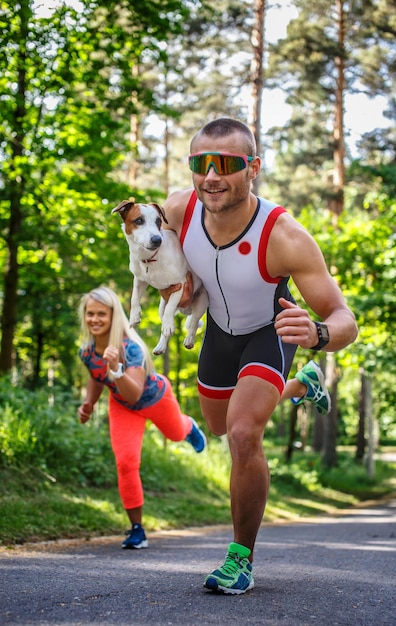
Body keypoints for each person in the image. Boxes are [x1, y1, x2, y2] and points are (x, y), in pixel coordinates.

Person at [162, 118, 358, 594]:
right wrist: (176, 285)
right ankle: (302, 385)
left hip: (272, 330)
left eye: (226, 164)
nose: (211, 176)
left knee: (244, 435)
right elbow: (162, 261)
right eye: (201, 164)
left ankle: (239, 559)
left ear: (253, 169)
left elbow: (343, 319)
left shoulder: (283, 235)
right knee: (220, 426)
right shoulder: (176, 209)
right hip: (218, 334)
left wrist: (314, 332)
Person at [77, 286, 207, 550]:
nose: (95, 319)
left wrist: (115, 368)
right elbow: (95, 376)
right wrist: (89, 403)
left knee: (175, 434)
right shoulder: (88, 352)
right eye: (90, 314)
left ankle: (188, 425)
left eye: (101, 313)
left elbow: (134, 393)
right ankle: (137, 528)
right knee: (125, 463)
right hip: (122, 406)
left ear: (114, 316)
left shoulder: (131, 348)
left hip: (156, 398)